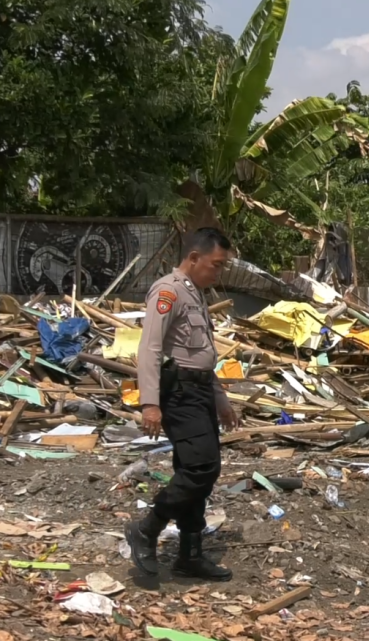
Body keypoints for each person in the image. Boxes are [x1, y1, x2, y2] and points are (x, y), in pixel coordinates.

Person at [124, 227, 239, 580]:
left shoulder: (196, 295)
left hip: (200, 391)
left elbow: (203, 356)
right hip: (179, 394)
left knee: (198, 469)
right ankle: (147, 527)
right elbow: (151, 349)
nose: (218, 273)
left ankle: (190, 554)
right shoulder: (167, 292)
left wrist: (220, 400)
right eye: (215, 265)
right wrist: (150, 404)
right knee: (201, 468)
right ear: (193, 258)